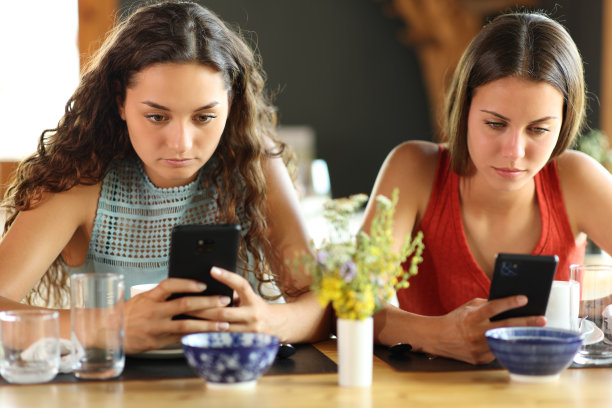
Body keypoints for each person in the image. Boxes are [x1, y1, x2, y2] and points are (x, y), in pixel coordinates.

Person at [0, 1, 329, 354]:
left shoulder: (252, 163)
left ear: (230, 103)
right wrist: (111, 327)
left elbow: (324, 304)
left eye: (204, 117)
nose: (181, 144)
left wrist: (268, 321)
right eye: (157, 117)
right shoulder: (81, 181)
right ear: (120, 101)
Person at [362, 11, 612, 364]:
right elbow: (349, 304)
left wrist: (597, 310)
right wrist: (439, 336)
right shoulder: (414, 170)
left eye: (538, 129)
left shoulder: (575, 178)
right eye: (495, 124)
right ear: (464, 110)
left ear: (564, 123)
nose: (514, 152)